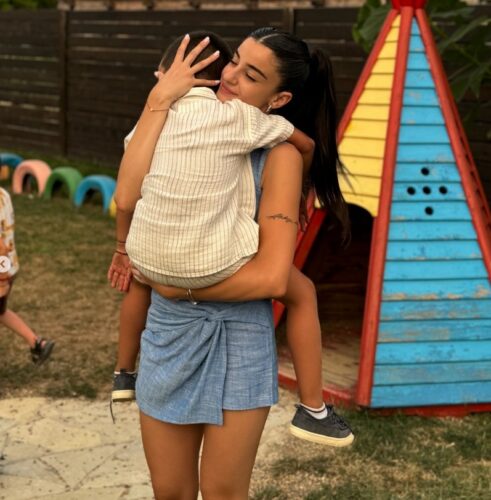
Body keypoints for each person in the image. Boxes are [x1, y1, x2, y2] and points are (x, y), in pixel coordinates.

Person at [113, 29, 352, 498]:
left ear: (279, 99)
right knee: (170, 492)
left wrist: (170, 286)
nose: (230, 76)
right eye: (234, 60)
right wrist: (157, 100)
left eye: (252, 75)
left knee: (223, 492)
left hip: (237, 336)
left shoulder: (279, 155)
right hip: (167, 333)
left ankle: (313, 408)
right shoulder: (174, 122)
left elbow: (272, 278)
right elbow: (128, 198)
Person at [0, 187, 54, 364]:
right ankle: (36, 343)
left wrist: (2, 279)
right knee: (1, 311)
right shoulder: (3, 194)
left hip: (2, 269)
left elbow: (0, 246)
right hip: (10, 266)